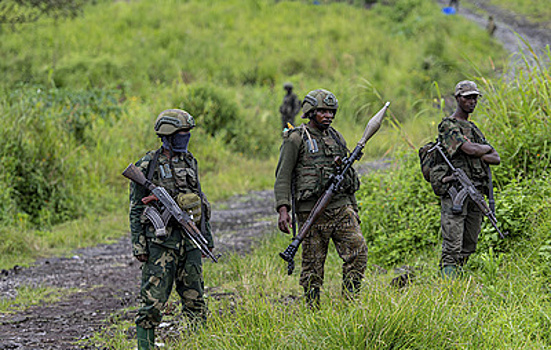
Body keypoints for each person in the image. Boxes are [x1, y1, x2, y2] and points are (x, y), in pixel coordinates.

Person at [128, 109, 214, 349]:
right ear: (167, 135)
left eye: (187, 132)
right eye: (181, 133)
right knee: (152, 303)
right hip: (160, 244)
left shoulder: (189, 161)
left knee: (195, 299)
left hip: (190, 241)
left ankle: (200, 343)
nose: (185, 137)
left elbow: (201, 200)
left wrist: (206, 237)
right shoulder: (147, 164)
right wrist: (139, 245)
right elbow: (136, 208)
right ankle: (145, 346)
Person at [274, 88, 368, 307]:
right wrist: (283, 209)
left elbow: (346, 173)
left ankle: (350, 302)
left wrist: (353, 207)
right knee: (313, 266)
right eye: (323, 111)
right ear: (310, 112)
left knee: (358, 251)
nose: (328, 116)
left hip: (341, 207)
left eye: (331, 111)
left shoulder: (335, 137)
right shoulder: (296, 138)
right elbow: (283, 176)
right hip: (311, 212)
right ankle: (312, 309)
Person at [431, 81, 500, 279]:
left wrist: (479, 150)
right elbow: (470, 149)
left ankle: (458, 279)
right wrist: (480, 150)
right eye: (467, 97)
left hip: (475, 191)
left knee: (470, 241)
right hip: (455, 190)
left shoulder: (473, 129)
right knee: (452, 243)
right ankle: (447, 286)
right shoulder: (448, 126)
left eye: (474, 97)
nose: (471, 101)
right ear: (457, 99)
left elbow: (496, 158)